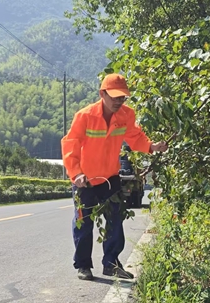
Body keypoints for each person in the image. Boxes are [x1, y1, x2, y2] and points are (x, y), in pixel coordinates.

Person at [61, 73, 168, 281]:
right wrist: (76, 173)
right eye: (115, 97)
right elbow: (70, 144)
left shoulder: (126, 115)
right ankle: (83, 266)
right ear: (102, 94)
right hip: (85, 180)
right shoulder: (85, 116)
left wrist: (152, 147)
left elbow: (135, 136)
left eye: (123, 97)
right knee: (83, 222)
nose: (119, 101)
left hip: (110, 177)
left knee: (115, 220)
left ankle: (111, 264)